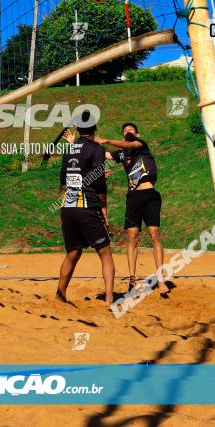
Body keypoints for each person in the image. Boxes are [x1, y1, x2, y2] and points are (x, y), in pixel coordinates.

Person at [96, 122, 169, 297]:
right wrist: (83, 142)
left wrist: (105, 139)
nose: (127, 132)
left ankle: (160, 280)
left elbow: (128, 144)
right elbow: (103, 154)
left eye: (130, 130)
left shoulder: (141, 145)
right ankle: (132, 280)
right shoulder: (122, 153)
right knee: (132, 238)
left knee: (154, 235)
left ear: (137, 134)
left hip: (150, 195)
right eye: (125, 131)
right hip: (133, 198)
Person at [57, 112, 115, 306]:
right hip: (87, 205)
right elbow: (99, 184)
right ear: (94, 128)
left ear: (78, 129)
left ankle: (60, 295)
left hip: (67, 206)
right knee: (105, 253)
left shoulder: (69, 149)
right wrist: (104, 208)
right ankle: (109, 300)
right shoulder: (96, 148)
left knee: (73, 252)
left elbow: (63, 180)